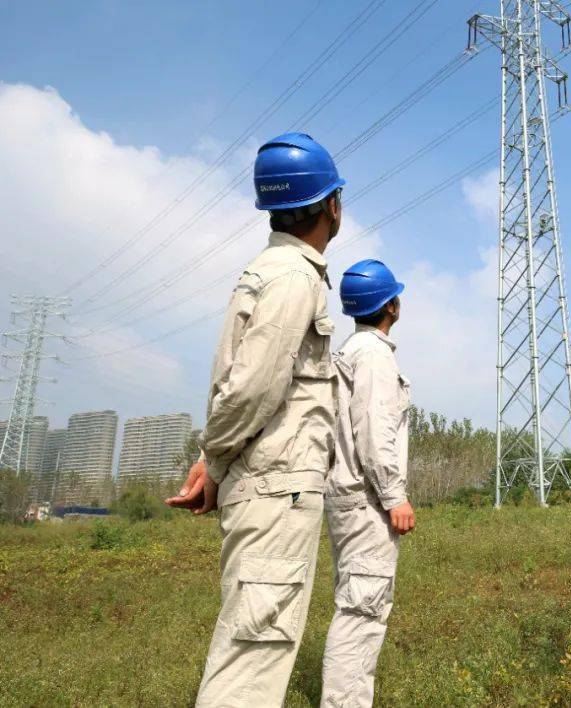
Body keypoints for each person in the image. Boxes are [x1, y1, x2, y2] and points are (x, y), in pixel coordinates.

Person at [166, 132, 344, 706]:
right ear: (331, 205)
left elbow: (237, 386)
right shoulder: (294, 279)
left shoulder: (269, 271)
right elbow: (253, 388)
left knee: (251, 643)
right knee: (251, 662)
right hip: (276, 490)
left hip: (263, 484)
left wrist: (212, 460)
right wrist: (212, 461)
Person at [321, 258, 414, 707]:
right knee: (362, 611)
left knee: (354, 601)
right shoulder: (375, 355)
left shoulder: (349, 351)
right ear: (391, 305)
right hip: (366, 501)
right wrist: (394, 496)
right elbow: (375, 432)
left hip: (344, 498)